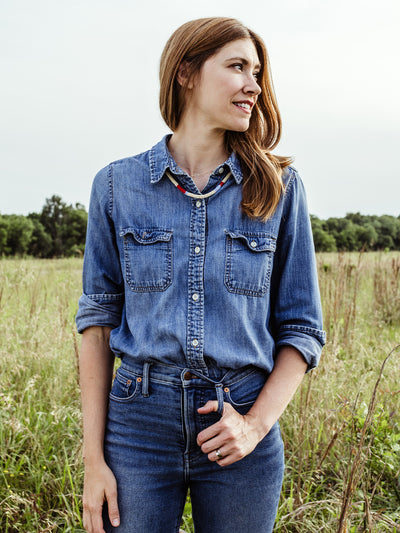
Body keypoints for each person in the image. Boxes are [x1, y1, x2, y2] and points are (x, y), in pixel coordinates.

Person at [76, 16, 325, 533]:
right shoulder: (117, 186)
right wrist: (93, 460)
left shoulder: (280, 187)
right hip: (137, 427)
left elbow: (302, 330)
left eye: (257, 72)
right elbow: (97, 323)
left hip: (240, 425)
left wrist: (255, 427)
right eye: (237, 67)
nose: (254, 85)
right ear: (186, 72)